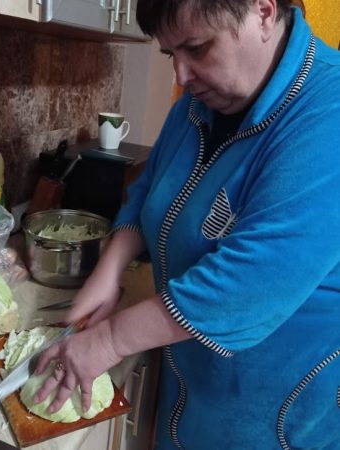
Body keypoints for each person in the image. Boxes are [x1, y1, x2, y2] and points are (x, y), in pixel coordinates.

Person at [34, 0, 340, 448]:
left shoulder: (328, 111)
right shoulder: (199, 104)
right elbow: (150, 188)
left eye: (197, 48)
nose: (181, 75)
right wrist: (110, 269)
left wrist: (112, 340)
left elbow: (253, 280)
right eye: (170, 54)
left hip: (272, 406)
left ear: (263, 12)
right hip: (191, 377)